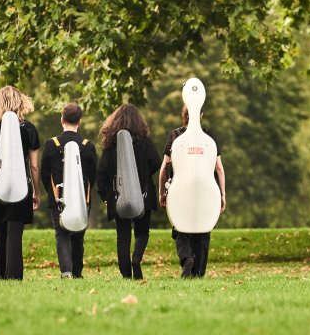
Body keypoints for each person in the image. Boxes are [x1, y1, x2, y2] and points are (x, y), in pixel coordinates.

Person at [0, 86, 40, 280]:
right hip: (22, 186)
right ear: (20, 102)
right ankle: (14, 276)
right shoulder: (29, 129)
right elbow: (34, 166)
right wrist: (36, 192)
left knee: (2, 229)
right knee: (15, 231)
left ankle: (1, 275)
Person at [158, 105, 226, 278]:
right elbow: (219, 168)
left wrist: (162, 192)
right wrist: (222, 194)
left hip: (180, 189)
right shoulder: (208, 137)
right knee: (204, 227)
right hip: (205, 190)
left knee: (180, 226)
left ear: (184, 115)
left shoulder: (175, 136)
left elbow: (165, 167)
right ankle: (199, 271)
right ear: (201, 115)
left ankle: (187, 257)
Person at [96, 104, 161, 280]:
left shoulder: (111, 145)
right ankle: (136, 259)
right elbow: (155, 162)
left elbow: (101, 173)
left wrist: (106, 196)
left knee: (122, 237)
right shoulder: (145, 142)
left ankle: (126, 275)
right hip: (144, 194)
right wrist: (143, 176)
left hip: (119, 197)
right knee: (142, 232)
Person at [40, 103, 97, 279]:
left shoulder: (51, 144)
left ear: (62, 120)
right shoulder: (88, 145)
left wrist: (52, 193)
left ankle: (66, 271)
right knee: (78, 236)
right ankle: (77, 272)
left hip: (58, 198)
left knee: (61, 235)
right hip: (82, 198)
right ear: (79, 121)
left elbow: (44, 173)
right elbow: (92, 176)